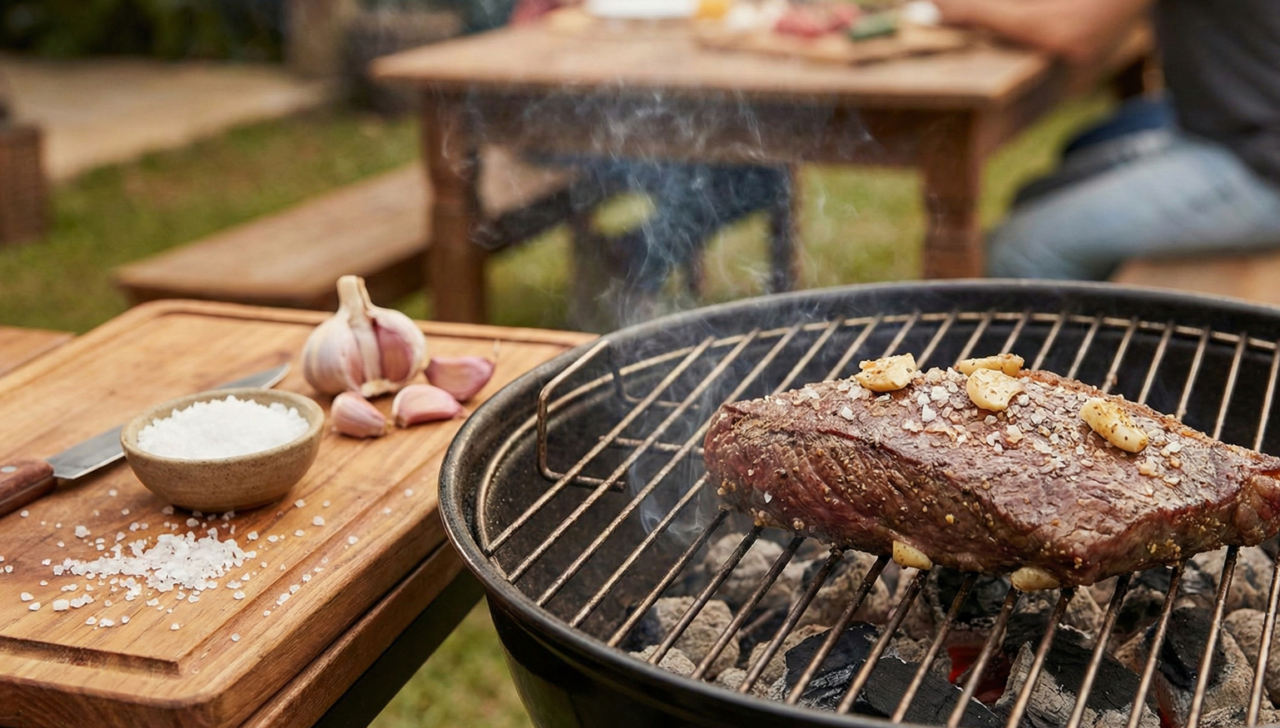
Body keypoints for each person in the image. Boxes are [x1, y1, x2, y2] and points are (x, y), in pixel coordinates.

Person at [929, 0, 1280, 281]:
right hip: (1225, 138)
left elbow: (1075, 31)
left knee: (1018, 253)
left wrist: (963, 7)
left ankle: (1085, 349)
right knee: (1038, 192)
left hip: (1261, 167)